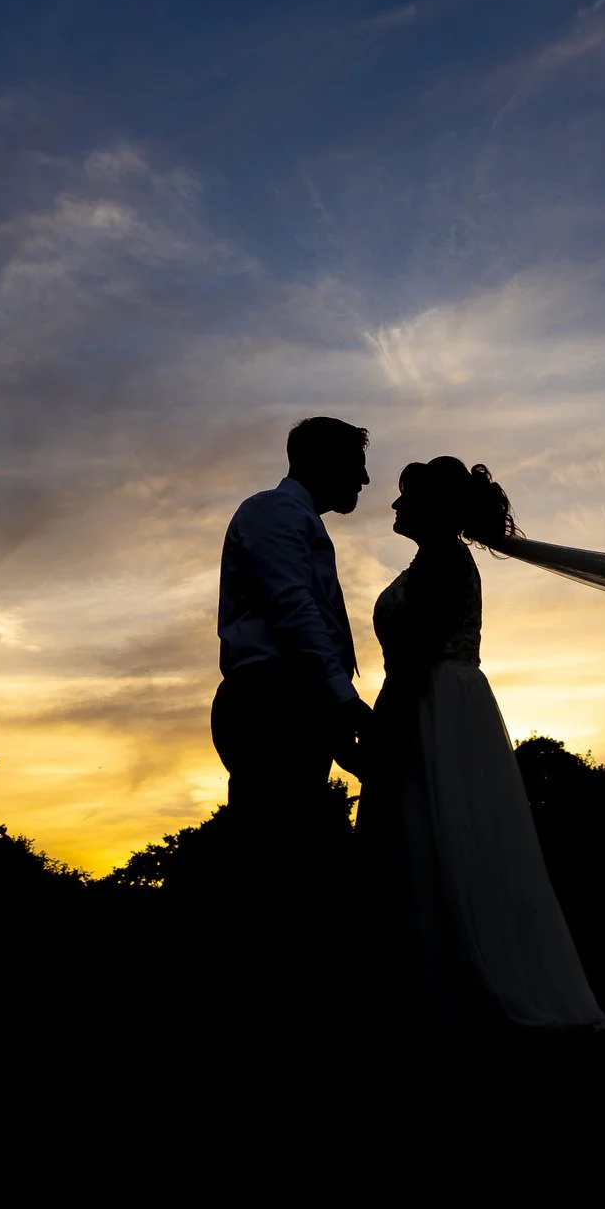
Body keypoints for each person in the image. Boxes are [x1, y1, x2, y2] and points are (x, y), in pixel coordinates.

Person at [357, 458, 605, 1030]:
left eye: (405, 497)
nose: (395, 507)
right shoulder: (433, 559)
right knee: (428, 832)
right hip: (434, 698)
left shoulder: (445, 558)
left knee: (442, 827)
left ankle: (460, 987)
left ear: (431, 507)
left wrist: (382, 732)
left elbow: (418, 653)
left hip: (437, 702)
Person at [211, 417, 375, 995]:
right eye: (356, 465)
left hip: (289, 699)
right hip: (269, 701)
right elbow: (295, 608)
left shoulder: (295, 518)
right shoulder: (275, 513)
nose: (365, 478)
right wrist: (347, 702)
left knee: (295, 853)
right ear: (324, 462)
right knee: (274, 861)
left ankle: (287, 984)